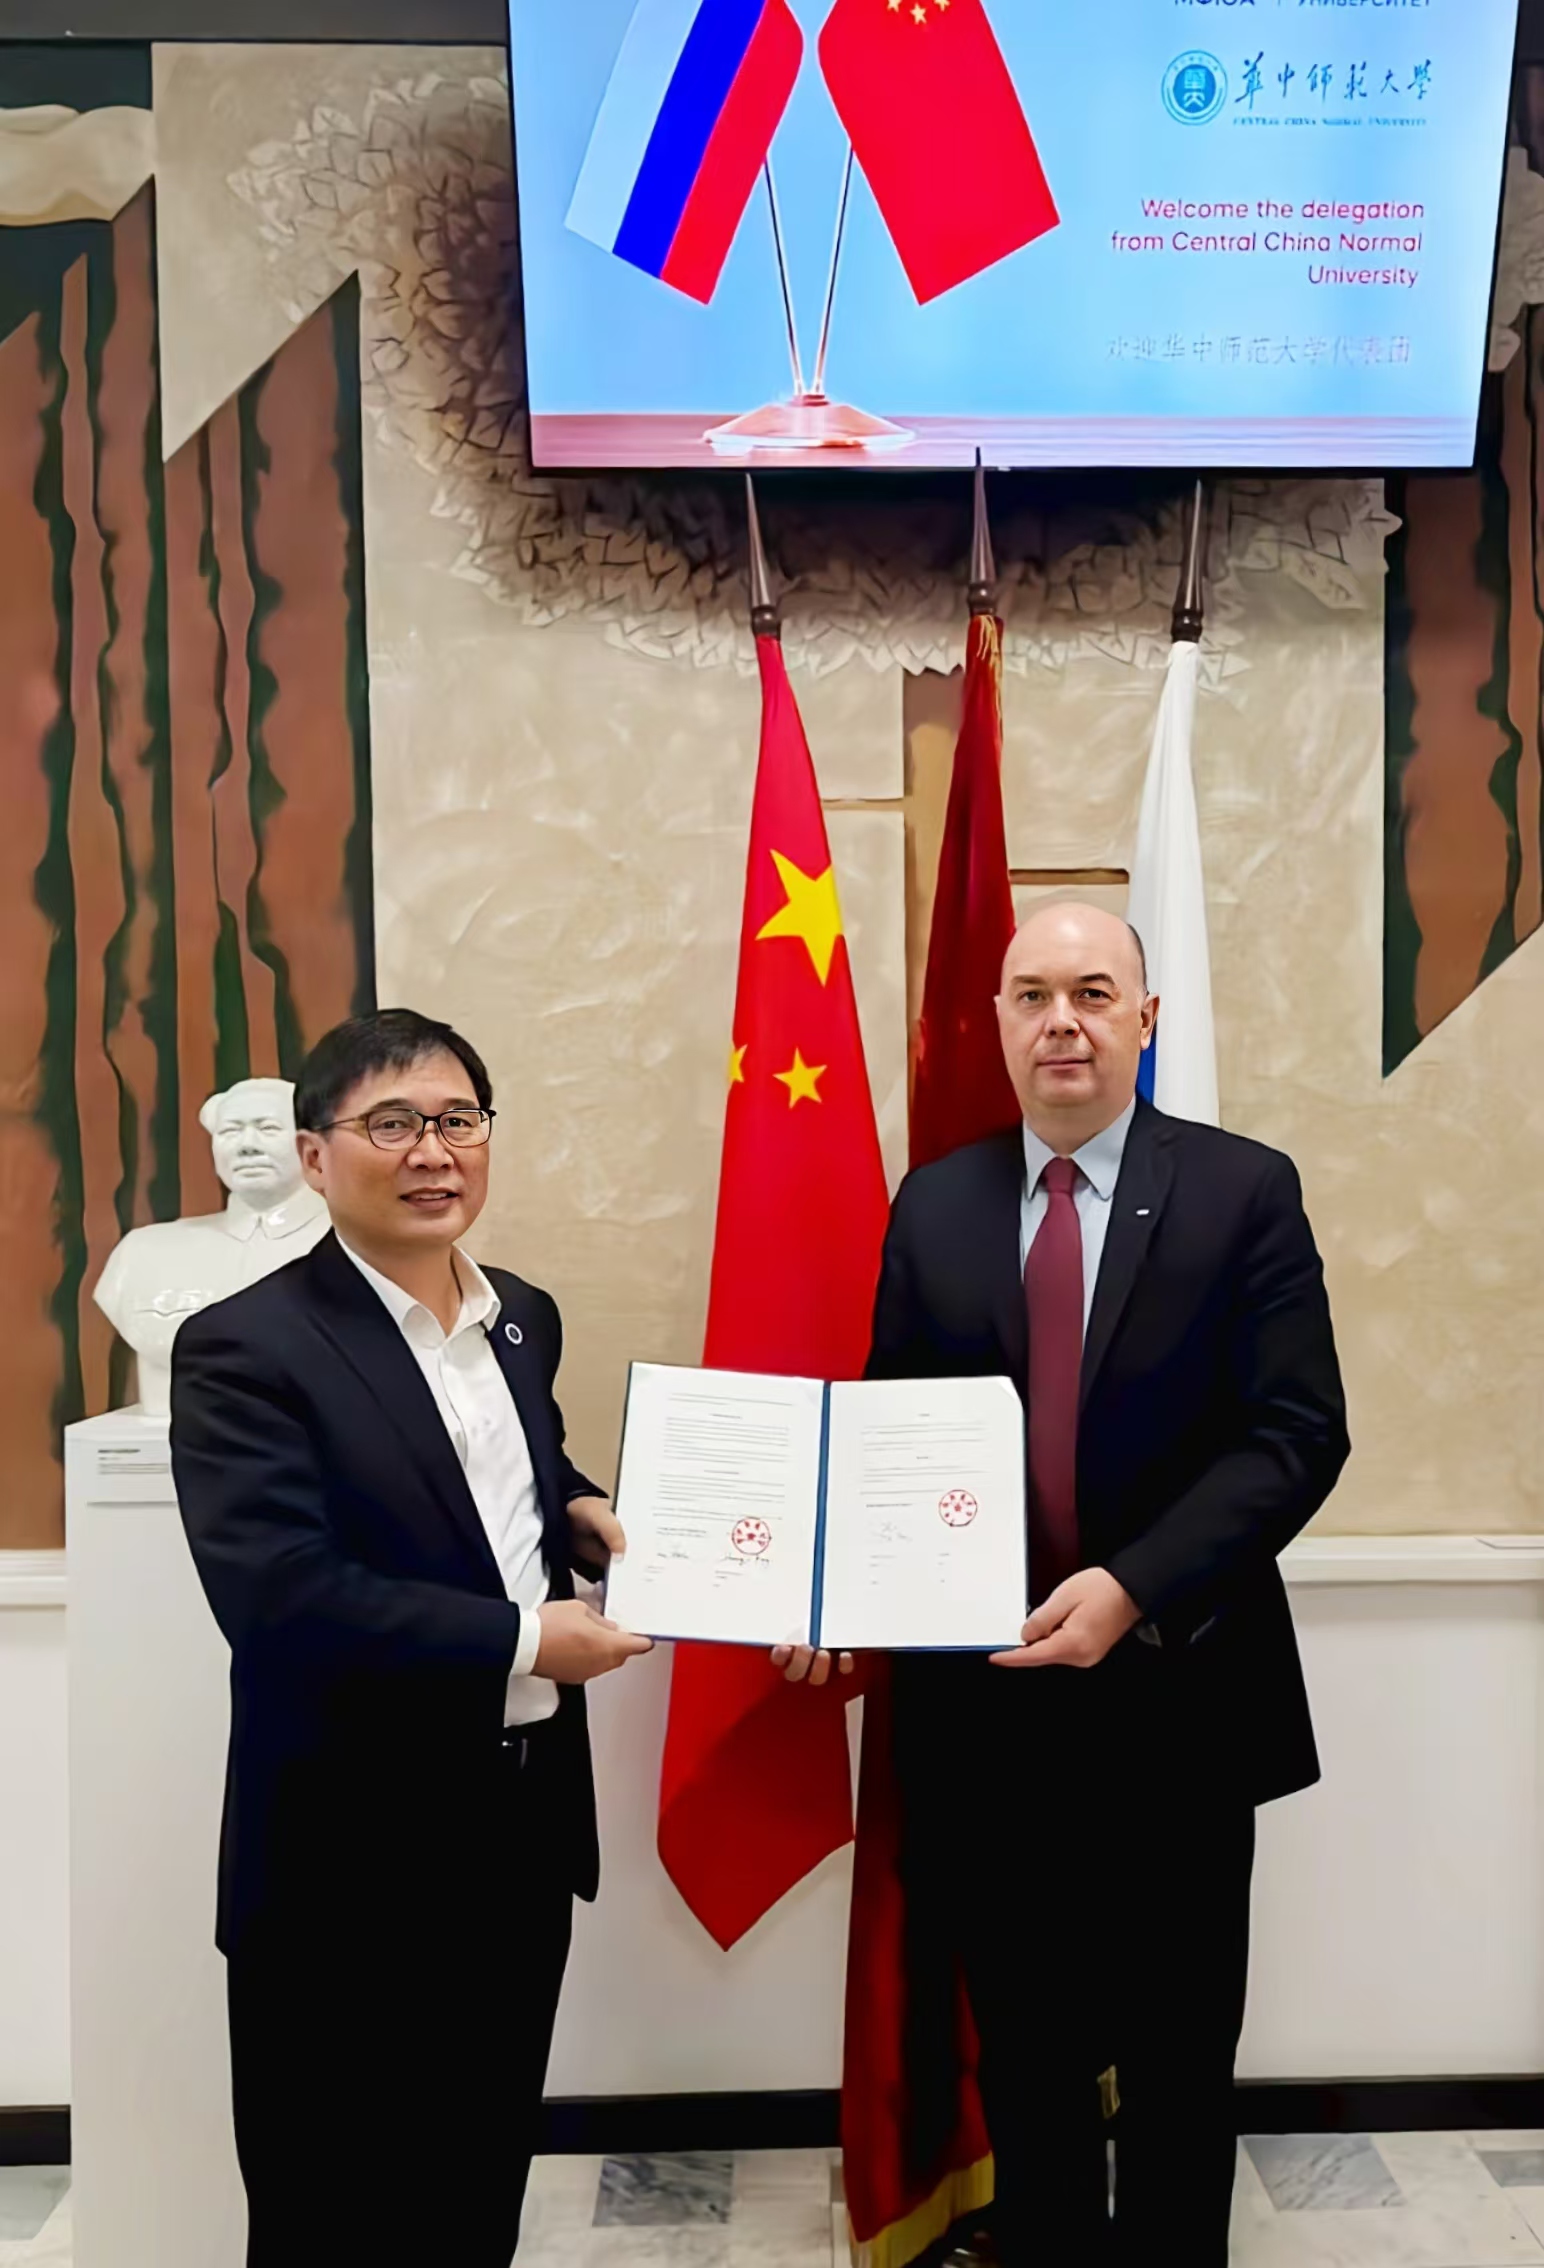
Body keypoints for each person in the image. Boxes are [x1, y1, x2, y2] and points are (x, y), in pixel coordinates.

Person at [786, 902, 1349, 2263]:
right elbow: (894, 1437)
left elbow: (1295, 1435)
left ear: (1144, 1020)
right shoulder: (937, 1203)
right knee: (1026, 2060)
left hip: (1178, 1697)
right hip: (987, 1714)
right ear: (995, 1022)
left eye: (1093, 993)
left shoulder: (1241, 1190)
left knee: (1177, 2062)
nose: (1061, 1021)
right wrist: (832, 1602)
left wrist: (1132, 1586)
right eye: (1031, 994)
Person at [170, 1009, 651, 2268]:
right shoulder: (244, 1347)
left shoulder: (519, 1317)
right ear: (315, 1155)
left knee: (472, 2198)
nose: (432, 1152)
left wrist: (580, 1509)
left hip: (517, 1833)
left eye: (456, 1120)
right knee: (333, 2216)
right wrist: (525, 1640)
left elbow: (497, 1475)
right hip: (348, 1859)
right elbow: (280, 1596)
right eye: (390, 1123)